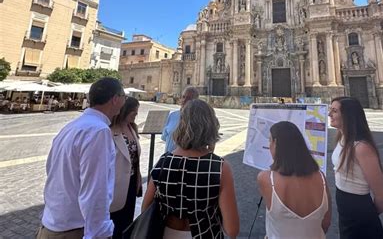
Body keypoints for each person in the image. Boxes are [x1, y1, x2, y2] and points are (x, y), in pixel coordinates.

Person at [37, 77, 126, 239]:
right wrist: (101, 233)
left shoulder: (71, 127)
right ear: (115, 99)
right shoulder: (99, 131)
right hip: (74, 230)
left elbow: (51, 169)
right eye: (123, 96)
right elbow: (96, 190)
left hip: (51, 224)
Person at [142, 99, 240, 239]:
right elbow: (232, 229)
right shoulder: (219, 167)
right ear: (211, 126)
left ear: (181, 125)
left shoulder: (164, 161)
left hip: (166, 233)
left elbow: (145, 207)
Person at [257, 121, 331, 239]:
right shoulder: (321, 177)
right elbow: (326, 223)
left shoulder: (266, 179)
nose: (269, 145)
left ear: (276, 143)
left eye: (269, 140)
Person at [329, 97, 383, 239]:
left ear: (347, 115)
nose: (329, 114)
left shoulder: (362, 148)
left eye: (334, 111)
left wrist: (364, 217)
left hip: (361, 222)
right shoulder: (342, 139)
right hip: (346, 217)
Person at [109, 97, 142, 239]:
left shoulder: (132, 127)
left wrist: (139, 177)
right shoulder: (110, 129)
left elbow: (135, 157)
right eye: (134, 112)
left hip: (132, 181)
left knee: (127, 219)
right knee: (114, 219)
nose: (136, 115)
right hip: (116, 182)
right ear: (125, 111)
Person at [161, 86, 199, 153]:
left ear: (195, 101)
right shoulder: (172, 115)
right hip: (169, 158)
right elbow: (164, 137)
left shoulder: (198, 119)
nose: (184, 100)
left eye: (189, 98)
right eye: (183, 97)